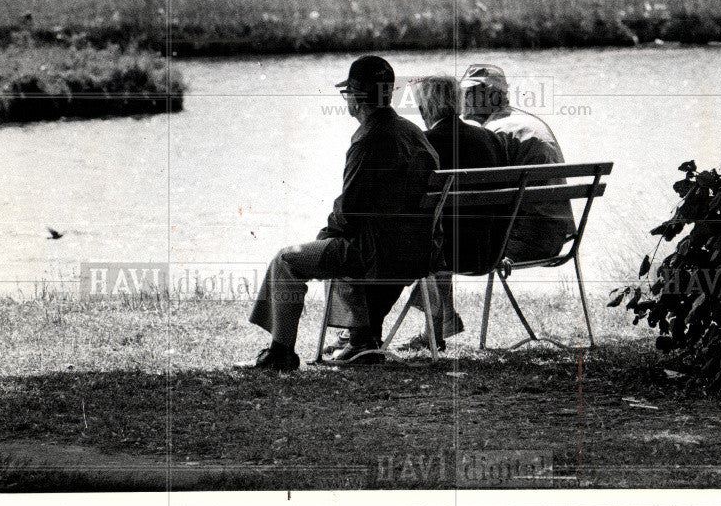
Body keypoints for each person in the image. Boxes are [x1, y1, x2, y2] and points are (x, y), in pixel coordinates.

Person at [242, 55, 439, 370]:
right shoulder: (414, 133)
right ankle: (362, 339)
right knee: (332, 247)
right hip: (419, 252)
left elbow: (350, 209)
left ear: (358, 98)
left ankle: (281, 352)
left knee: (286, 260)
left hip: (375, 253)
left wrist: (329, 232)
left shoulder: (368, 139)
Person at [399, 75, 507, 349]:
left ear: (426, 108)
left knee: (430, 234)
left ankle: (436, 327)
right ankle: (436, 330)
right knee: (445, 229)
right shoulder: (489, 139)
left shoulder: (424, 143)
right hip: (488, 252)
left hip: (444, 253)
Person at [461, 63, 577, 262]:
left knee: (441, 244)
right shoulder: (529, 121)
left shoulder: (494, 131)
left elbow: (483, 195)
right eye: (463, 93)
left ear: (492, 96)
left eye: (471, 92)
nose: (463, 100)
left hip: (519, 240)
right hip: (555, 237)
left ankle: (434, 295)